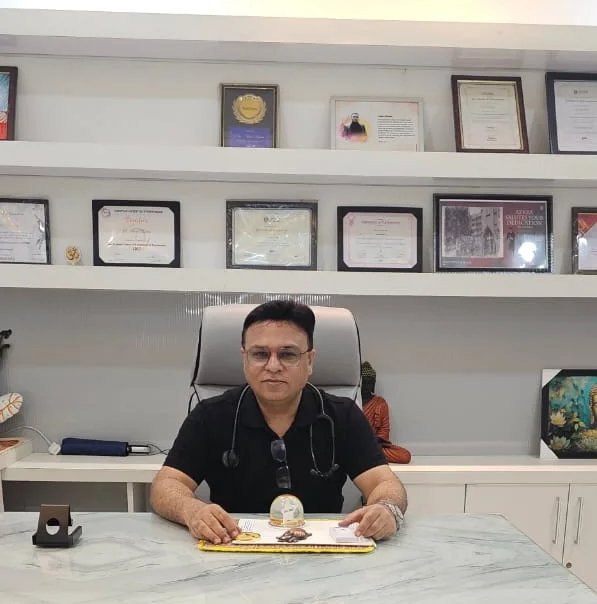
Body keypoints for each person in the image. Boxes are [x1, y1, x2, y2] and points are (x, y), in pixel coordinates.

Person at [151, 300, 407, 544]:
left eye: (288, 354)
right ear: (244, 359)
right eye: (260, 354)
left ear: (309, 361)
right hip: (232, 550)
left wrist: (386, 508)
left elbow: (385, 484)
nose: (273, 366)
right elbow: (166, 485)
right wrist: (191, 509)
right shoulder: (211, 415)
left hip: (321, 558)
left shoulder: (343, 415)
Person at [361, 361, 411, 464]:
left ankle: (366, 454)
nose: (367, 386)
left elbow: (384, 430)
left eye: (370, 382)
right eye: (364, 382)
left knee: (405, 455)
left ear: (374, 384)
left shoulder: (380, 403)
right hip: (355, 443)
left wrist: (374, 442)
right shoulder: (353, 401)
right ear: (359, 383)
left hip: (373, 445)